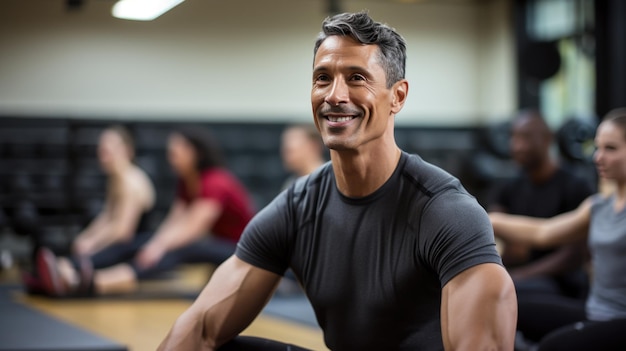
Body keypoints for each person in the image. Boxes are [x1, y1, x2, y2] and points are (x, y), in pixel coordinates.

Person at [157, 11, 516, 351]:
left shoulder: (447, 213)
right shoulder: (296, 209)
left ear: (398, 96)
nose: (334, 96)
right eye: (323, 78)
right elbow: (200, 328)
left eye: (356, 78)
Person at [35, 126, 256, 297]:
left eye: (176, 150)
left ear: (194, 153)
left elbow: (193, 229)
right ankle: (70, 267)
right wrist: (154, 243)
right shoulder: (186, 181)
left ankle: (93, 282)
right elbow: (174, 221)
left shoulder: (215, 181)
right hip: (219, 243)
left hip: (244, 251)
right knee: (147, 241)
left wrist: (158, 248)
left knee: (177, 249)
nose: (171, 155)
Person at [490, 108, 626, 350]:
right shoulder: (597, 207)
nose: (598, 157)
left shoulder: (577, 188)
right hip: (595, 312)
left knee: (552, 346)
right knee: (502, 305)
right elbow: (543, 232)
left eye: (611, 149)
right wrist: (481, 218)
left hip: (619, 320)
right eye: (597, 147)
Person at [22, 125, 155, 293]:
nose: (104, 154)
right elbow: (107, 217)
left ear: (127, 150)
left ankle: (63, 275)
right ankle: (53, 275)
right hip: (121, 242)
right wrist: (86, 238)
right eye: (102, 149)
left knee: (83, 258)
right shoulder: (116, 179)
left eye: (110, 149)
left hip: (135, 246)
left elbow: (123, 231)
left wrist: (93, 244)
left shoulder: (131, 182)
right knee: (80, 248)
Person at [489, 109, 593, 298]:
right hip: (517, 274)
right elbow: (494, 233)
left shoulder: (576, 186)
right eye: (514, 137)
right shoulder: (509, 186)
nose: (517, 146)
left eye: (526, 137)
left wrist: (522, 275)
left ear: (547, 139)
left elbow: (574, 254)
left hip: (559, 282)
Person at [280, 124, 326, 189]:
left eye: (290, 151)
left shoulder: (330, 181)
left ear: (313, 146)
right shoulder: (290, 184)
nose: (285, 156)